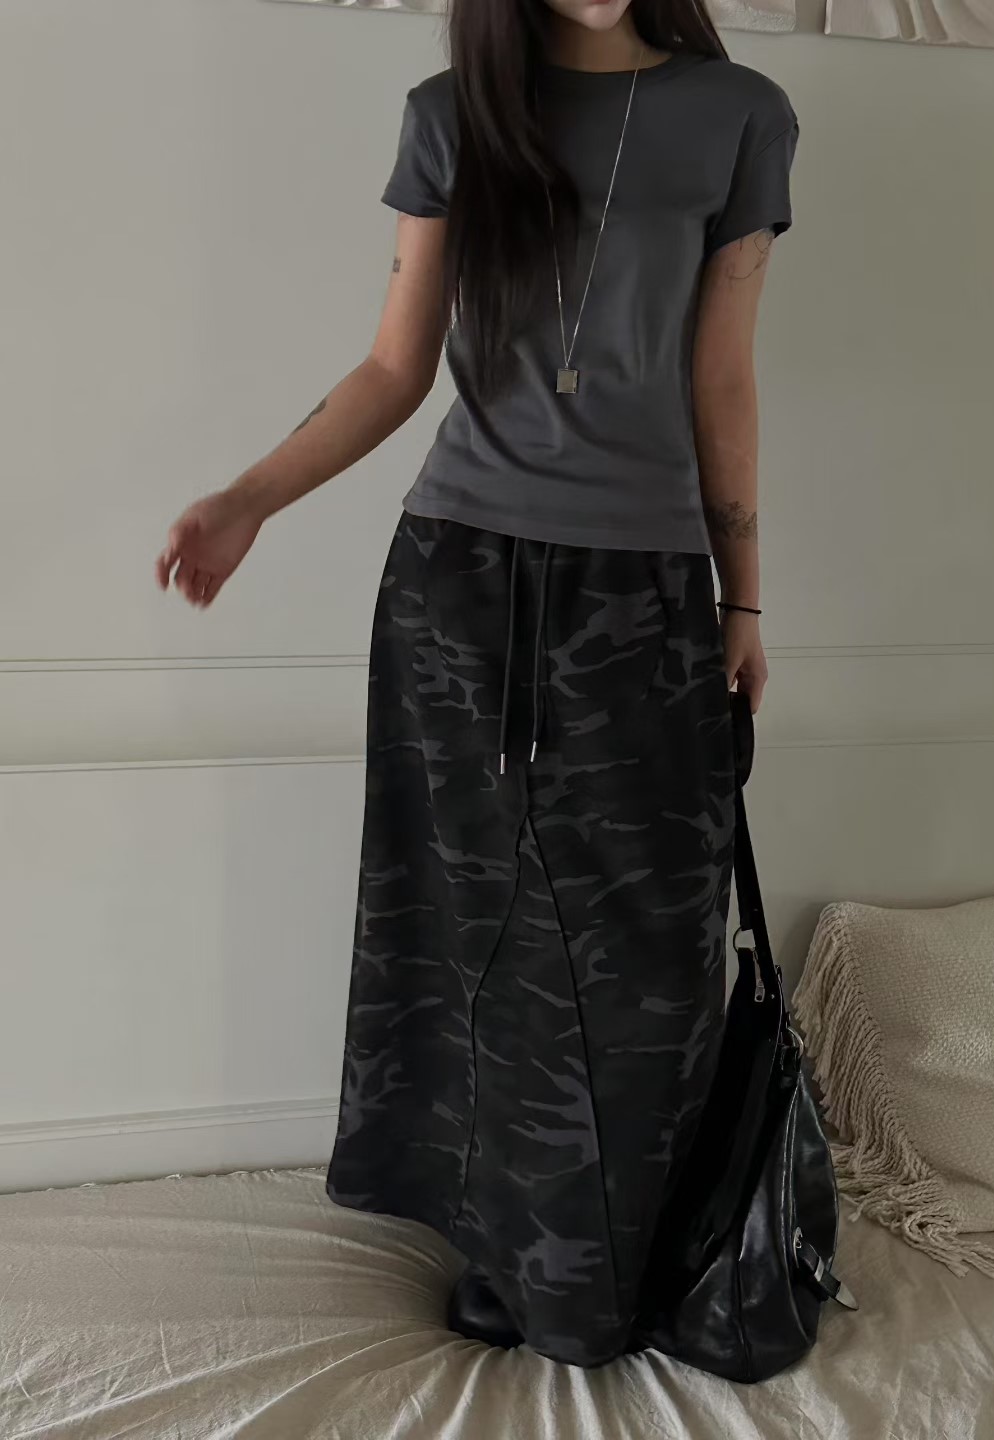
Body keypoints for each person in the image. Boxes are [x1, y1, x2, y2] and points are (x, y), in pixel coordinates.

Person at [155, 0, 798, 1371]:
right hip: (459, 582)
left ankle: (624, 1256)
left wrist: (742, 599)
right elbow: (397, 366)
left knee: (649, 944)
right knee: (469, 922)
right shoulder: (451, 118)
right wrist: (248, 499)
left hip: (643, 594)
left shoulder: (740, 116)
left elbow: (723, 378)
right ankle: (504, 1251)